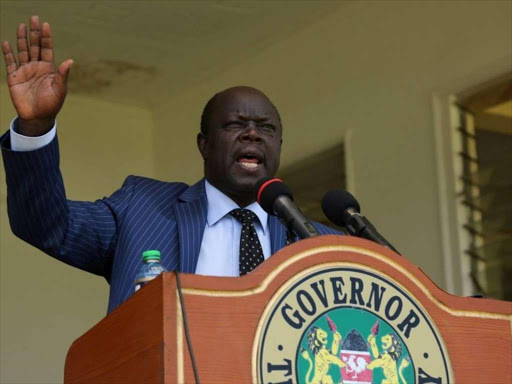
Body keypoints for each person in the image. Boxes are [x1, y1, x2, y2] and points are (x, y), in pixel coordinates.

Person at [1, 16, 339, 313]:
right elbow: (46, 225)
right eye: (235, 125)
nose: (252, 134)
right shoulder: (142, 210)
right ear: (203, 145)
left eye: (266, 128)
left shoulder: (323, 246)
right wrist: (36, 128)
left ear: (278, 146)